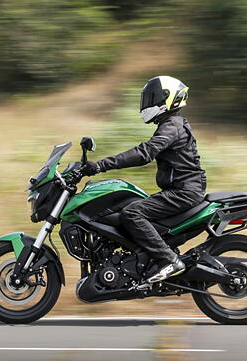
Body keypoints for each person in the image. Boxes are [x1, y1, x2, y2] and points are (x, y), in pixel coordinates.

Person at [81, 75, 207, 283]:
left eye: (152, 97)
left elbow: (145, 153)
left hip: (184, 192)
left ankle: (169, 260)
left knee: (131, 213)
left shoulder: (172, 125)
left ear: (167, 99)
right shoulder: (171, 124)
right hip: (181, 190)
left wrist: (101, 165)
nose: (147, 103)